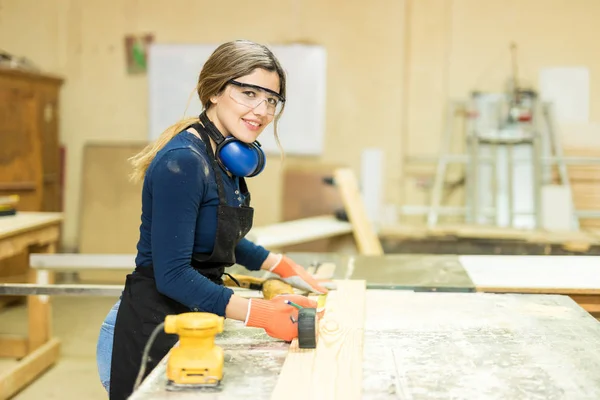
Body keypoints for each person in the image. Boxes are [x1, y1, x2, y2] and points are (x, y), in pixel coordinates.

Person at [95, 39, 328, 400]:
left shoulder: (223, 155)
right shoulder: (184, 161)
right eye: (249, 93)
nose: (262, 111)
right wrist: (260, 314)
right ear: (216, 90)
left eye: (271, 100)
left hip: (195, 317)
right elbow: (172, 275)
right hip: (155, 327)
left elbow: (218, 232)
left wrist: (280, 265)